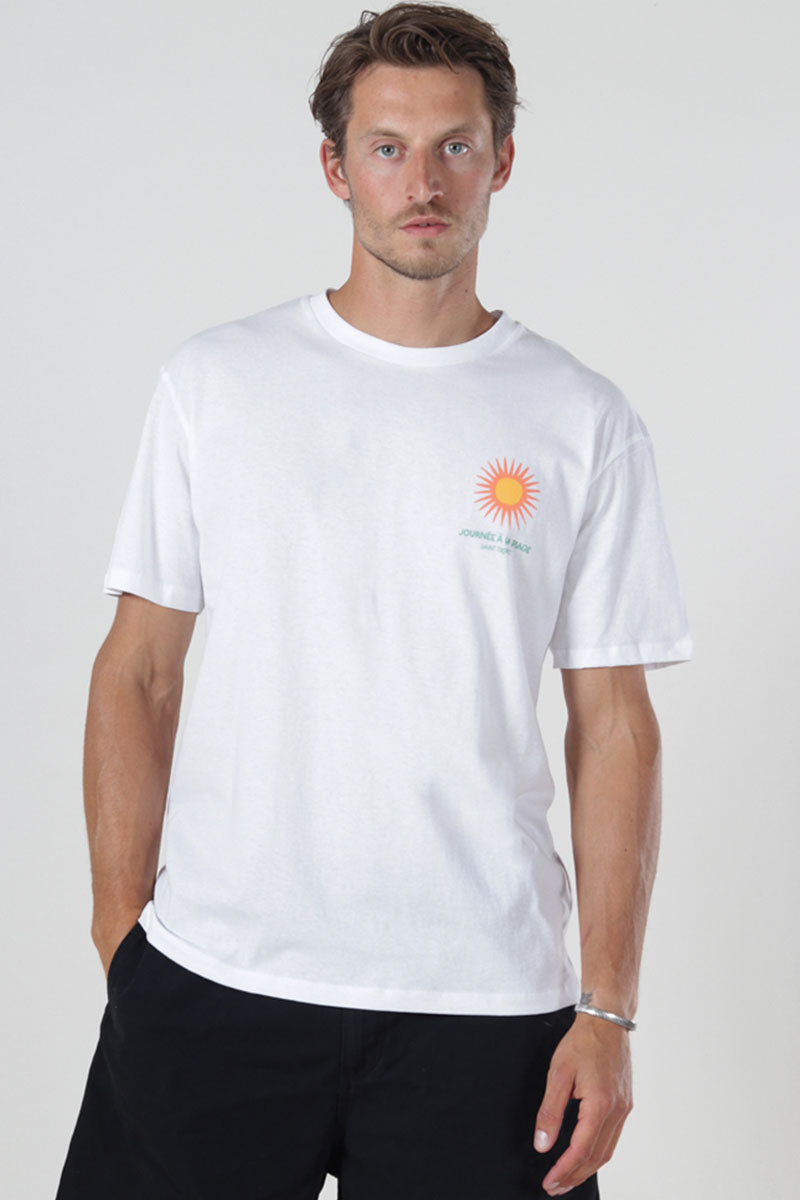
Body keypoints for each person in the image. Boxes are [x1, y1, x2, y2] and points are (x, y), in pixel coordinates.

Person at [55, 4, 692, 1198]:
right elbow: (137, 669)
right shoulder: (216, 383)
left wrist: (607, 1008)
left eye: (455, 146)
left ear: (501, 160)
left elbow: (613, 722)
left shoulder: (581, 419)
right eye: (387, 147)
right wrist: (120, 939)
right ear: (334, 167)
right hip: (215, 981)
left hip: (485, 1005)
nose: (422, 182)